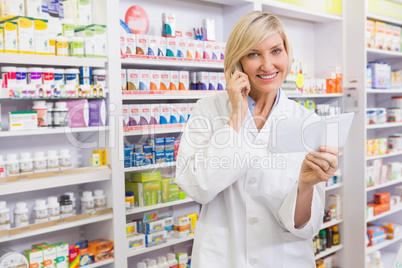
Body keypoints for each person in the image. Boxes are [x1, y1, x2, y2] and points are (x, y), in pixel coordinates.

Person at [175, 11, 338, 268]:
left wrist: (305, 186)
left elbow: (307, 227)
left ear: (287, 54)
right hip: (223, 258)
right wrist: (237, 115)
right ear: (237, 62)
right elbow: (197, 188)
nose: (268, 65)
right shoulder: (207, 109)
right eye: (253, 54)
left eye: (276, 51)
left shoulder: (307, 121)